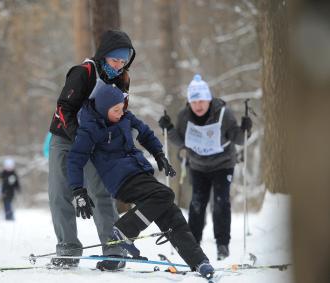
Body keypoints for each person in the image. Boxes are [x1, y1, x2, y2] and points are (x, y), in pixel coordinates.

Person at [66, 83, 215, 279]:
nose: (121, 113)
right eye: (116, 110)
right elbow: (75, 159)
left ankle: (199, 261)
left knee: (171, 213)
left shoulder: (125, 117)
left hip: (140, 173)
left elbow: (145, 133)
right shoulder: (90, 129)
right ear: (103, 109)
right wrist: (78, 190)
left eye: (122, 108)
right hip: (121, 179)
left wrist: (159, 154)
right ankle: (124, 230)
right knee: (166, 194)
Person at [48, 29, 135, 270]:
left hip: (96, 142)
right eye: (114, 59)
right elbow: (63, 108)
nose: (118, 65)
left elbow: (119, 113)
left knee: (101, 192)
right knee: (60, 193)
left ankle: (114, 248)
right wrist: (78, 139)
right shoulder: (83, 73)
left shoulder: (122, 78)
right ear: (103, 55)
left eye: (123, 60)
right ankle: (68, 247)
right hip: (65, 138)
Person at [158, 74, 252, 260]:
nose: (198, 106)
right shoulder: (184, 116)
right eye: (194, 102)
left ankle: (222, 245)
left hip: (223, 164)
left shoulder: (224, 114)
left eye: (202, 101)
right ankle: (193, 244)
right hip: (198, 165)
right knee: (197, 203)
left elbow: (239, 139)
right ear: (189, 102)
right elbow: (181, 141)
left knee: (220, 202)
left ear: (209, 100)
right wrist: (168, 129)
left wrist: (246, 129)